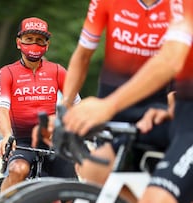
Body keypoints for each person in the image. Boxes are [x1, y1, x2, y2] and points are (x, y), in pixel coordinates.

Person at [64, 0, 193, 202]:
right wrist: (63, 109)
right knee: (94, 169)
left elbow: (171, 60)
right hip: (167, 112)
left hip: (169, 112)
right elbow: (82, 56)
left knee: (157, 197)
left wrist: (108, 105)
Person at [0, 17, 81, 192]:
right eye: (29, 39)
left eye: (39, 40)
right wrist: (6, 135)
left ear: (47, 45)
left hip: (52, 140)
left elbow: (76, 105)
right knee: (18, 170)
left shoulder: (58, 71)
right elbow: (3, 109)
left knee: (70, 190)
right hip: (21, 141)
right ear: (18, 42)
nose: (34, 44)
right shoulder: (7, 72)